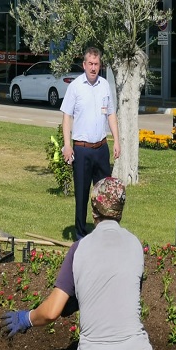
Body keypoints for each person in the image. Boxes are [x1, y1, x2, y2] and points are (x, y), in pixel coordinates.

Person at [2, 177, 161, 350]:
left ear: (93, 208)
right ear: (121, 208)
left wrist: (25, 318)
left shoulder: (79, 249)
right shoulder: (136, 246)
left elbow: (53, 311)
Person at [61, 47, 121, 240]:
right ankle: (80, 234)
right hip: (82, 149)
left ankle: (104, 234)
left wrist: (116, 142)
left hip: (101, 148)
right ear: (84, 65)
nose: (93, 68)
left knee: (104, 195)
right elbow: (67, 117)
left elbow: (111, 114)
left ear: (100, 65)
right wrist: (67, 145)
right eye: (90, 64)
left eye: (96, 64)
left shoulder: (104, 86)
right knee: (82, 194)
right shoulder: (76, 86)